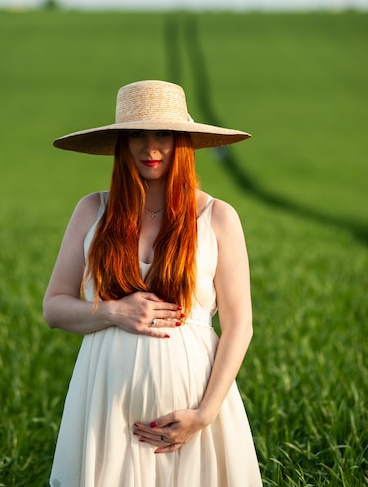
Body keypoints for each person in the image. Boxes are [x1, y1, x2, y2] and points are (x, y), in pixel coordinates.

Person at [43, 79, 262, 487]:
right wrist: (112, 311)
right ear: (121, 143)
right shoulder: (93, 210)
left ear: (182, 141)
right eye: (137, 135)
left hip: (194, 413)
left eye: (162, 133)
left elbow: (239, 326)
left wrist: (204, 414)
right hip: (107, 409)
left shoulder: (218, 217)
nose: (151, 148)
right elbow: (54, 307)